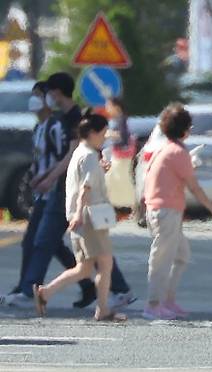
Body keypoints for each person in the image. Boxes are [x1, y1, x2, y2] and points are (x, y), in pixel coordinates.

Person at [15, 72, 135, 311]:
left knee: (58, 247)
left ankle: (35, 290)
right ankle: (44, 291)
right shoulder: (62, 124)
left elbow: (74, 162)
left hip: (73, 198)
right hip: (71, 197)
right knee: (82, 257)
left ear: (57, 92)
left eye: (47, 93)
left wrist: (54, 183)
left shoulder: (74, 123)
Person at [0, 81, 94, 308]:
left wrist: (48, 178)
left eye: (39, 95)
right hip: (46, 191)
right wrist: (36, 176)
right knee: (44, 243)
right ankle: (88, 286)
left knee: (41, 241)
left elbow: (63, 156)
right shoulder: (39, 128)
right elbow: (40, 158)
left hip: (58, 191)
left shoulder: (57, 125)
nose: (34, 100)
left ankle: (28, 289)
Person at [33, 111, 126, 322]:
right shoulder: (90, 156)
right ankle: (102, 309)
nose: (104, 137)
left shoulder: (80, 152)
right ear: (93, 133)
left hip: (80, 216)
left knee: (84, 268)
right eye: (103, 133)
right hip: (90, 216)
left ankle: (45, 293)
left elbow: (84, 180)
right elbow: (86, 187)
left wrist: (75, 214)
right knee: (105, 263)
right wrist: (78, 214)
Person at [143, 103, 212, 320]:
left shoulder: (166, 149)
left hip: (160, 210)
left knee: (181, 256)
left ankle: (167, 300)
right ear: (185, 129)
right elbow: (194, 187)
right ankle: (153, 304)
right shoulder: (178, 152)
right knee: (162, 259)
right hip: (166, 212)